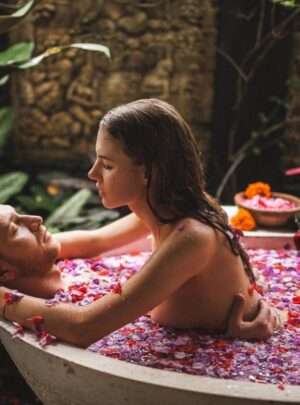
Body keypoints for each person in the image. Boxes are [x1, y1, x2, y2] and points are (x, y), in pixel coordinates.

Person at [0, 99, 284, 347]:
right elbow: (94, 242)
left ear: (149, 172)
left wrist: (3, 300)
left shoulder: (191, 236)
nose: (92, 174)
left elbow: (83, 327)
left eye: (108, 165)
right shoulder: (161, 212)